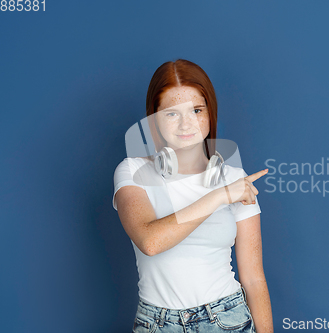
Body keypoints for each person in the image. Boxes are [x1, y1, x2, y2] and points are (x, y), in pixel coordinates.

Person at [112, 59, 274, 332]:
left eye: (197, 110)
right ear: (154, 119)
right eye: (172, 113)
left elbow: (254, 278)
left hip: (227, 319)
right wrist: (218, 197)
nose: (187, 124)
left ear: (210, 113)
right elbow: (150, 241)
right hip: (158, 324)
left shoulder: (235, 179)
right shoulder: (133, 171)